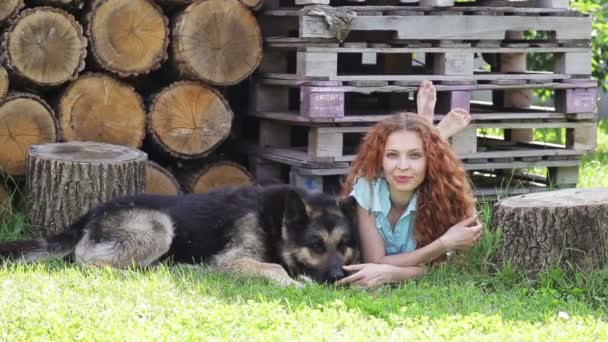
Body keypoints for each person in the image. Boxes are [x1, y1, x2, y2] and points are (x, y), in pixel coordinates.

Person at [336, 81, 483, 289]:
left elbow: (457, 267)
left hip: (432, 170)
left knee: (424, 150)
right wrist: (444, 244)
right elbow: (376, 261)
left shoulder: (449, 191)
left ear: (429, 161)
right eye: (391, 155)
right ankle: (430, 131)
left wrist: (392, 273)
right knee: (417, 146)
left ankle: (430, 133)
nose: (402, 167)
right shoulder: (367, 188)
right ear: (380, 160)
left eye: (414, 156)